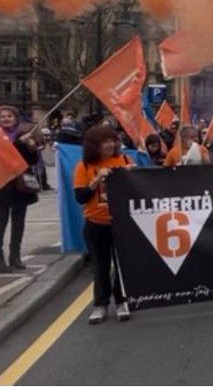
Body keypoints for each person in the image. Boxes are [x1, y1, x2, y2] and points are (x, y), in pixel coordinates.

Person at [73, 124, 134, 324]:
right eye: (104, 142)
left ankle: (121, 301)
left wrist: (132, 175)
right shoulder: (84, 166)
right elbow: (80, 197)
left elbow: (137, 191)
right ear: (94, 145)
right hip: (96, 223)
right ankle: (100, 304)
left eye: (112, 140)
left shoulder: (124, 159)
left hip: (121, 223)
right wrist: (97, 180)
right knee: (100, 266)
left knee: (122, 266)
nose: (110, 145)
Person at [0, 105, 39, 273]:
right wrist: (18, 144)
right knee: (0, 221)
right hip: (0, 183)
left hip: (18, 184)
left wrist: (31, 147)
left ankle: (15, 255)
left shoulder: (23, 135)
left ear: (16, 119)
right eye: (3, 116)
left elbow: (32, 160)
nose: (6, 118)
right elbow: (2, 154)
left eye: (10, 116)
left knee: (18, 222)